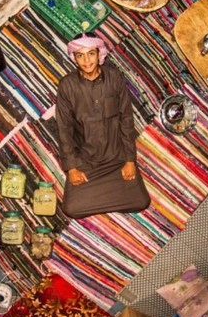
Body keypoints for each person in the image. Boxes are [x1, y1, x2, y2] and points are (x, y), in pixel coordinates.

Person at [55, 33, 151, 218]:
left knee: (141, 202)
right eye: (80, 55)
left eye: (91, 54)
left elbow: (126, 119)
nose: (86, 61)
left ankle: (103, 197)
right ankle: (109, 196)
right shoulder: (67, 85)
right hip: (86, 163)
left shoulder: (114, 78)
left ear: (99, 54)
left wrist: (130, 161)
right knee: (71, 209)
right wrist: (72, 168)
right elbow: (64, 129)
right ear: (74, 58)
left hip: (117, 159)